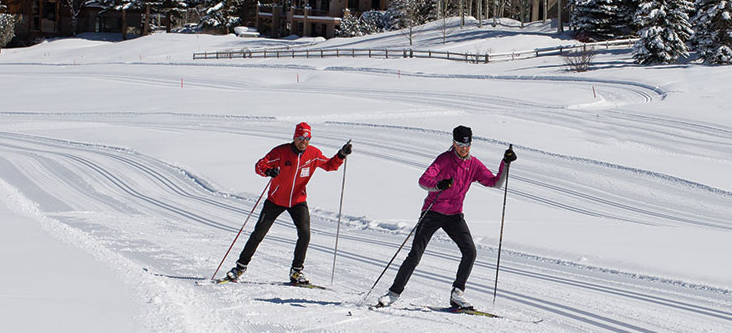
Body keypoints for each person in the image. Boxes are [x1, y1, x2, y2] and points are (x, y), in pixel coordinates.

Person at [376, 125, 516, 309]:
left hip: (454, 215)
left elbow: (495, 183)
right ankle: (393, 294)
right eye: (459, 144)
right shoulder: (444, 159)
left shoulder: (473, 164)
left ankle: (457, 293)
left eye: (467, 145)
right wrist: (438, 184)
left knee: (470, 251)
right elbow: (423, 181)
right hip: (432, 212)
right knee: (415, 255)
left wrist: (505, 164)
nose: (463, 148)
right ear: (453, 143)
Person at [221, 122, 352, 286]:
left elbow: (330, 165)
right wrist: (269, 171)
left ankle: (296, 272)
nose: (303, 142)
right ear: (294, 137)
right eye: (300, 138)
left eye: (306, 138)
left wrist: (341, 155)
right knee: (258, 234)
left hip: (298, 201)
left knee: (305, 234)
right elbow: (260, 165)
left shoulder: (313, 153)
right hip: (275, 200)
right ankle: (239, 268)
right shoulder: (281, 152)